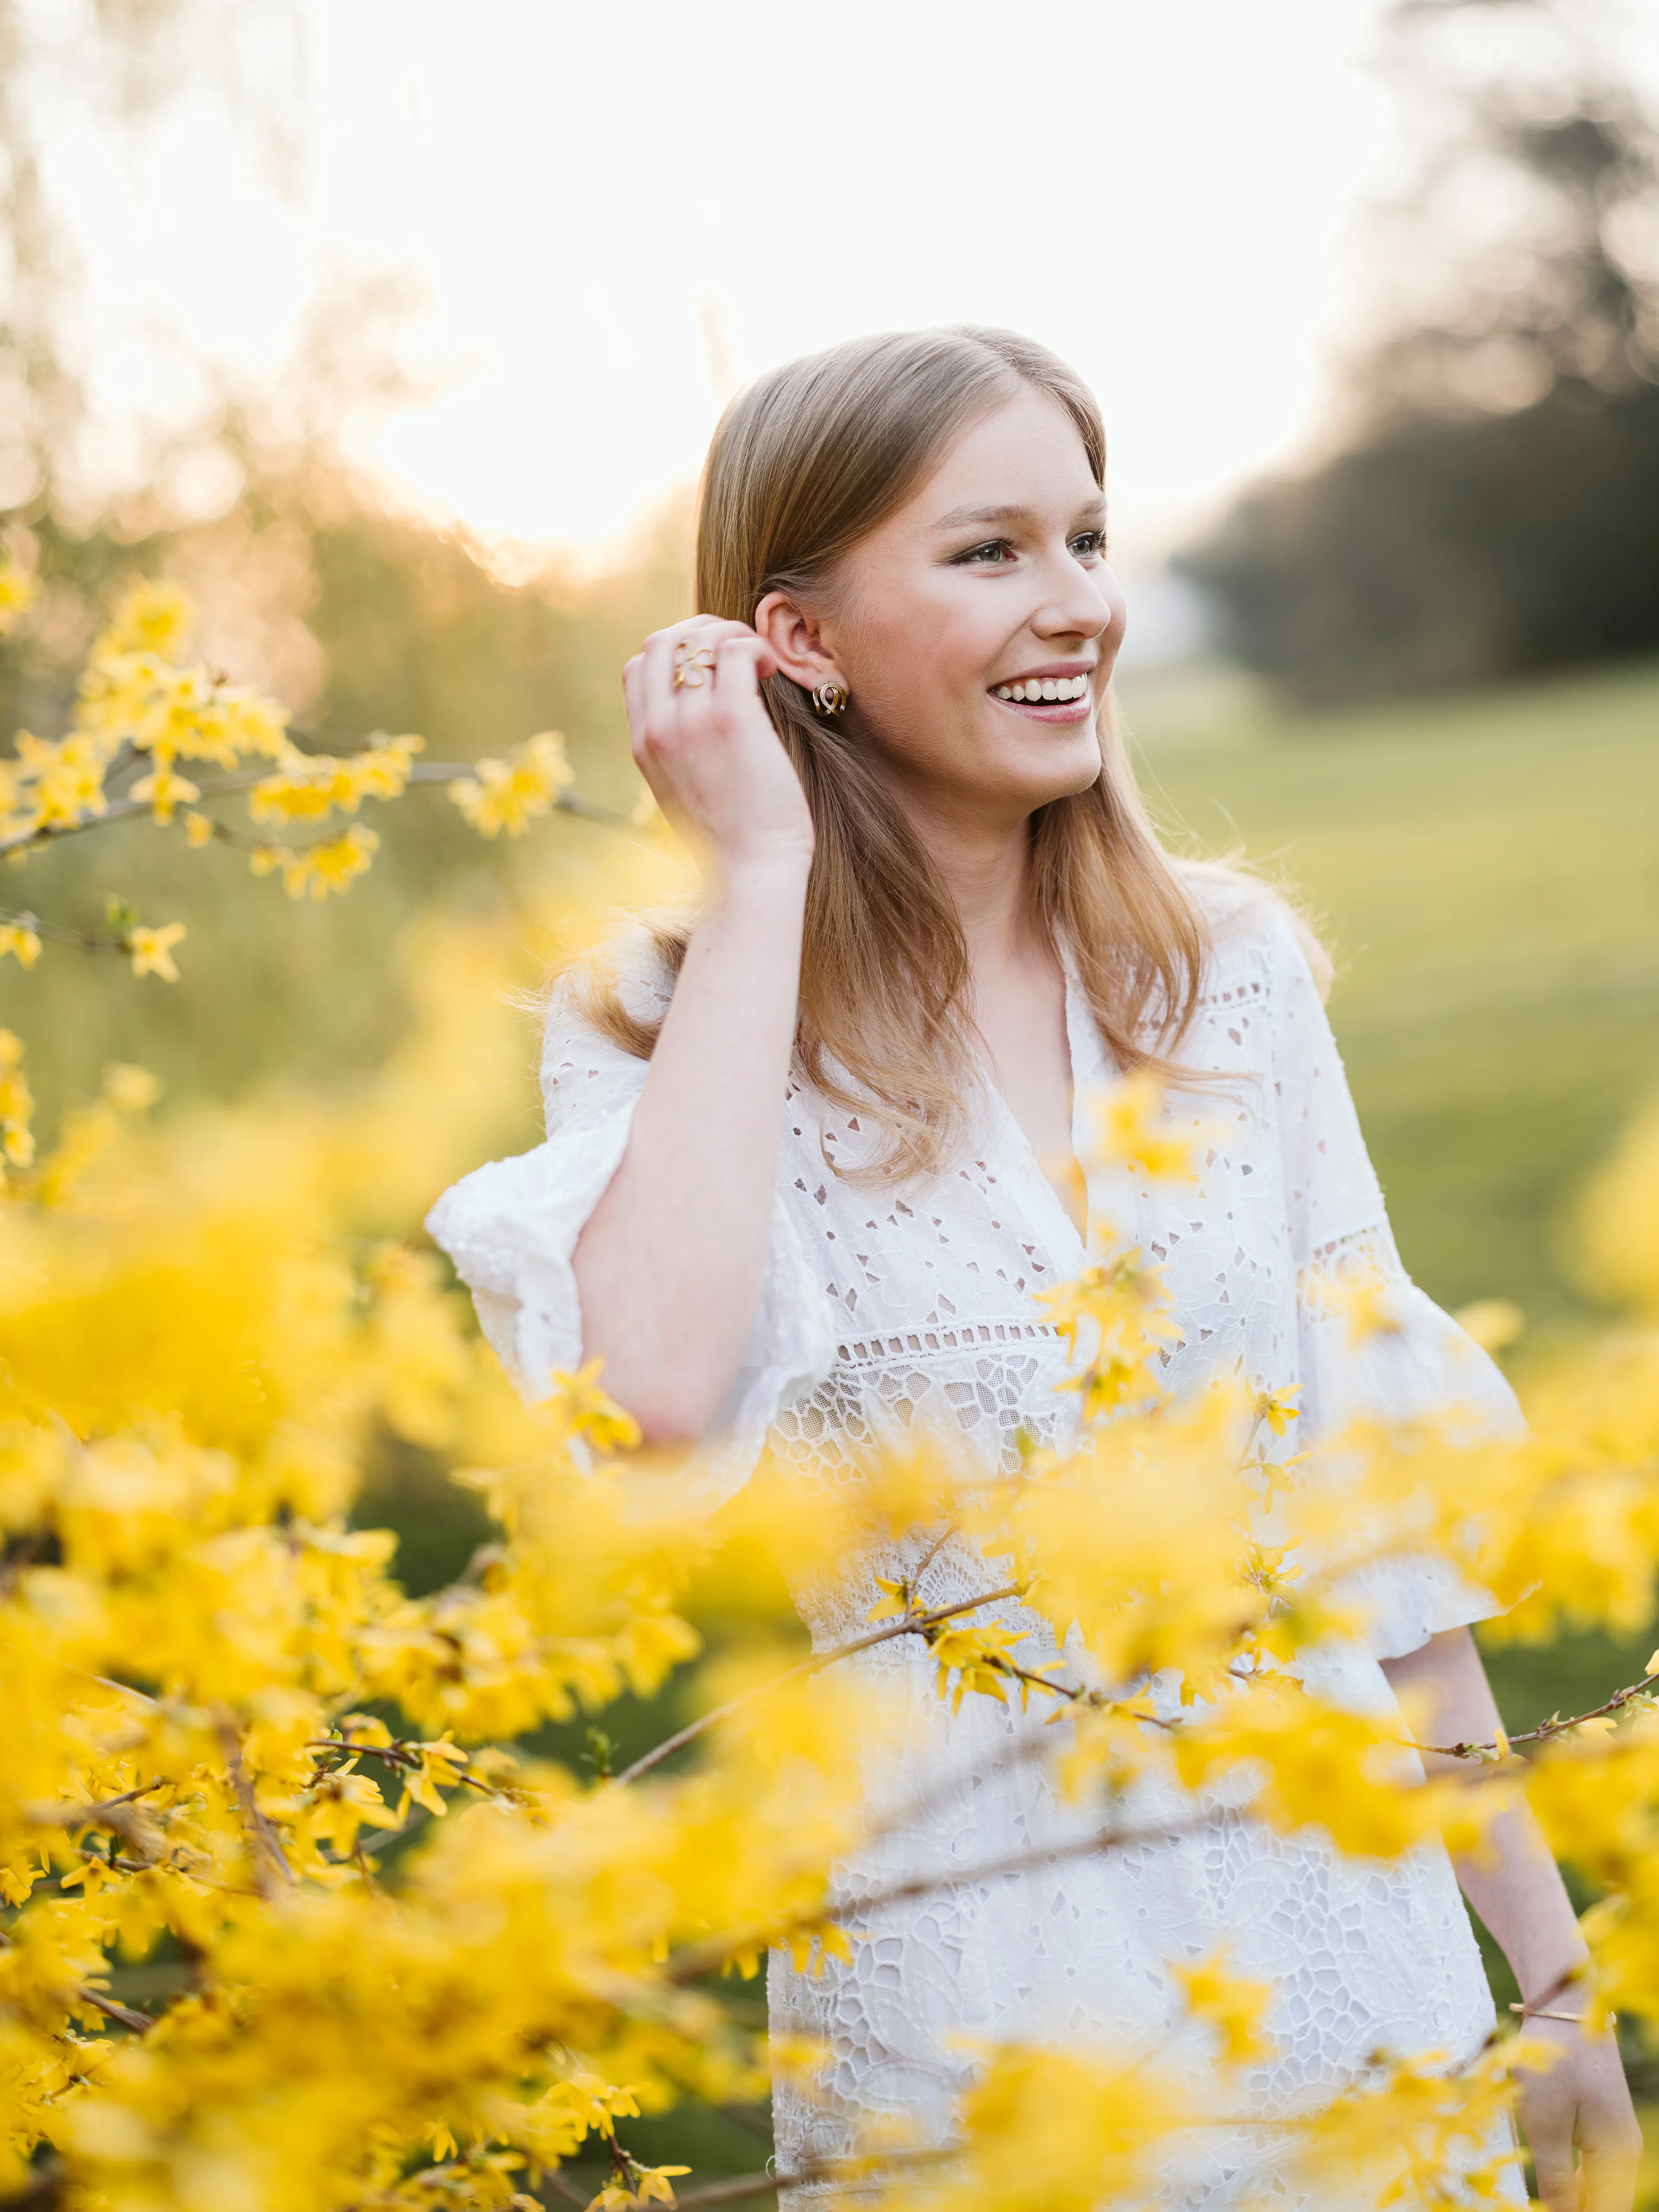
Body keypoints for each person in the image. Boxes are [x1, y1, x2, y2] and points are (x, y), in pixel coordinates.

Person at [426, 328, 1639, 2209]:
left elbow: (1372, 1520)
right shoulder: (660, 1019)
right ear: (797, 640)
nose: (1077, 601)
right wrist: (758, 885)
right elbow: (650, 1406)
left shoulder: (1224, 972)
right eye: (989, 551)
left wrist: (1551, 1983)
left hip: (1350, 1971)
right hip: (971, 2017)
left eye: (1085, 538)